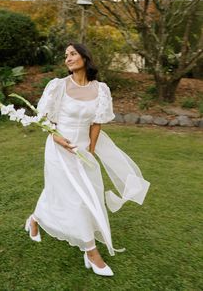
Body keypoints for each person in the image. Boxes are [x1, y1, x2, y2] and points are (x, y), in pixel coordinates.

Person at [25, 43, 150, 277]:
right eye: (66, 56)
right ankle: (91, 251)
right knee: (76, 197)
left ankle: (34, 218)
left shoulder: (101, 89)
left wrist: (91, 150)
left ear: (85, 57)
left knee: (82, 192)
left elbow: (97, 122)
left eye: (72, 54)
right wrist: (58, 137)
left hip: (84, 148)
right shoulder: (58, 86)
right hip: (59, 148)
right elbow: (43, 119)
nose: (68, 59)